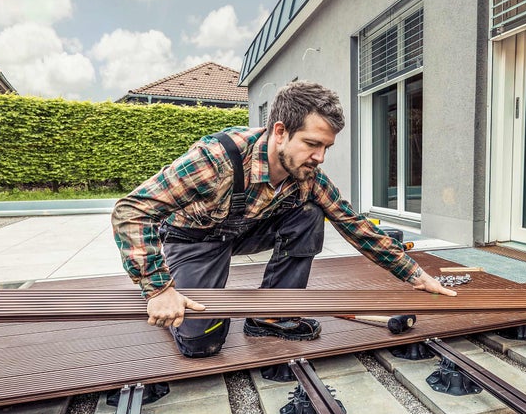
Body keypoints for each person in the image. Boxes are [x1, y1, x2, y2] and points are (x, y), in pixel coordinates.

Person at [112, 81, 456, 358]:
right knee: (203, 344)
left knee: (310, 212)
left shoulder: (307, 176)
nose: (319, 157)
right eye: (311, 143)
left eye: (326, 147)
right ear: (280, 131)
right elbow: (131, 211)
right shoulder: (215, 159)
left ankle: (271, 314)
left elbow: (355, 225)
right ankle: (177, 290)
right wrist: (159, 289)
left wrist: (415, 274)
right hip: (193, 239)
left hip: (242, 231)